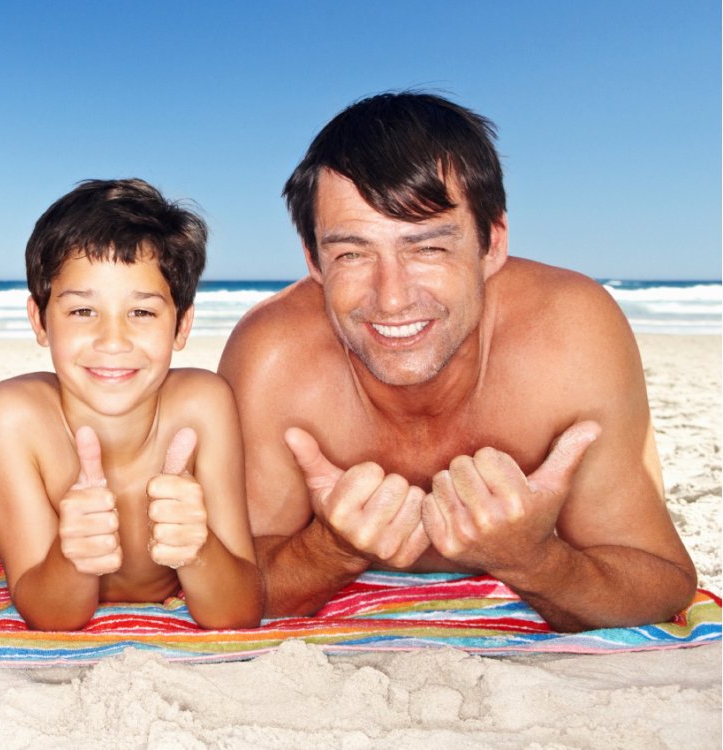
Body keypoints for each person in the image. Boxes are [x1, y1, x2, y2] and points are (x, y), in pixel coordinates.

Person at [218, 92, 697, 631]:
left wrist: (533, 559)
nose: (392, 297)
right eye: (352, 253)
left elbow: (660, 582)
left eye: (428, 248)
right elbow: (220, 591)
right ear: (314, 261)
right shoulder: (274, 357)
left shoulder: (568, 332)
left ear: (492, 244)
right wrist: (329, 550)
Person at [0, 179, 263, 631]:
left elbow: (237, 612)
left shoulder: (203, 406)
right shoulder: (11, 419)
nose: (113, 341)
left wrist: (199, 547)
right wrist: (73, 557)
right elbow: (52, 616)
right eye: (82, 311)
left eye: (142, 312)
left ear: (182, 325)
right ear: (40, 320)